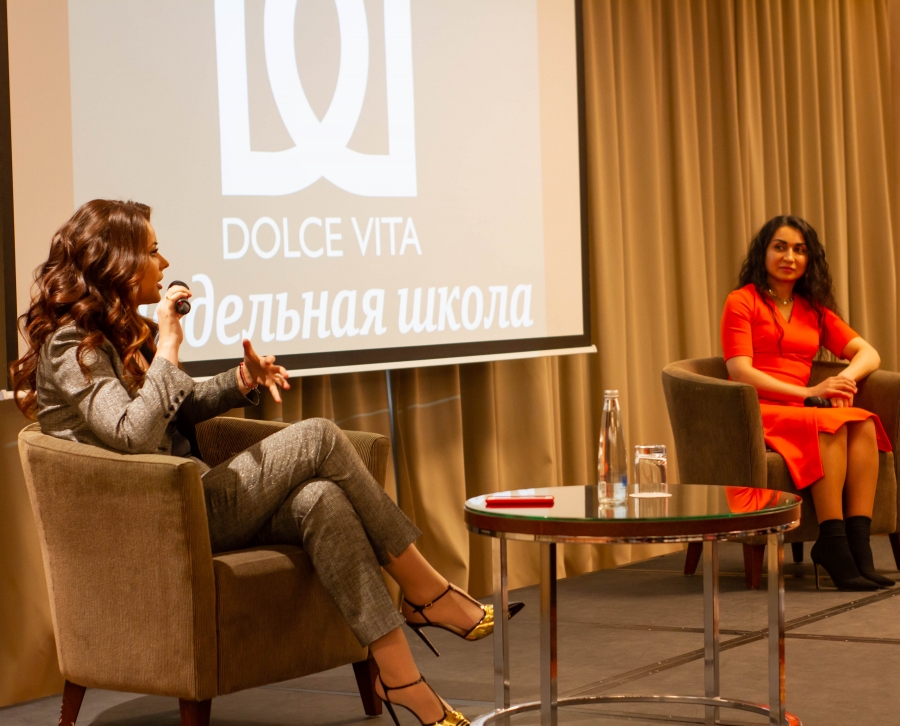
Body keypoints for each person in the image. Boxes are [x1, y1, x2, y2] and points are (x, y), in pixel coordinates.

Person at [10, 199, 523, 726]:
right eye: (153, 251)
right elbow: (133, 432)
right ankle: (426, 590)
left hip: (190, 499)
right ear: (115, 262)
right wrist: (167, 346)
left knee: (323, 499)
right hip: (160, 522)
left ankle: (401, 679)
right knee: (319, 436)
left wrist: (242, 379)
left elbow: (172, 407)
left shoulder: (118, 329)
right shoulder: (70, 345)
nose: (164, 264)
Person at [720, 215, 894, 592]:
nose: (790, 257)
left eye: (799, 250)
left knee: (863, 421)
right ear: (763, 253)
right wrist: (810, 392)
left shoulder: (812, 309)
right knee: (827, 421)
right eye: (780, 247)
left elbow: (869, 353)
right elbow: (740, 371)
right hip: (757, 408)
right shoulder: (741, 301)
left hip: (802, 406)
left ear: (809, 259)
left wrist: (844, 380)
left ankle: (859, 543)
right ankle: (832, 541)